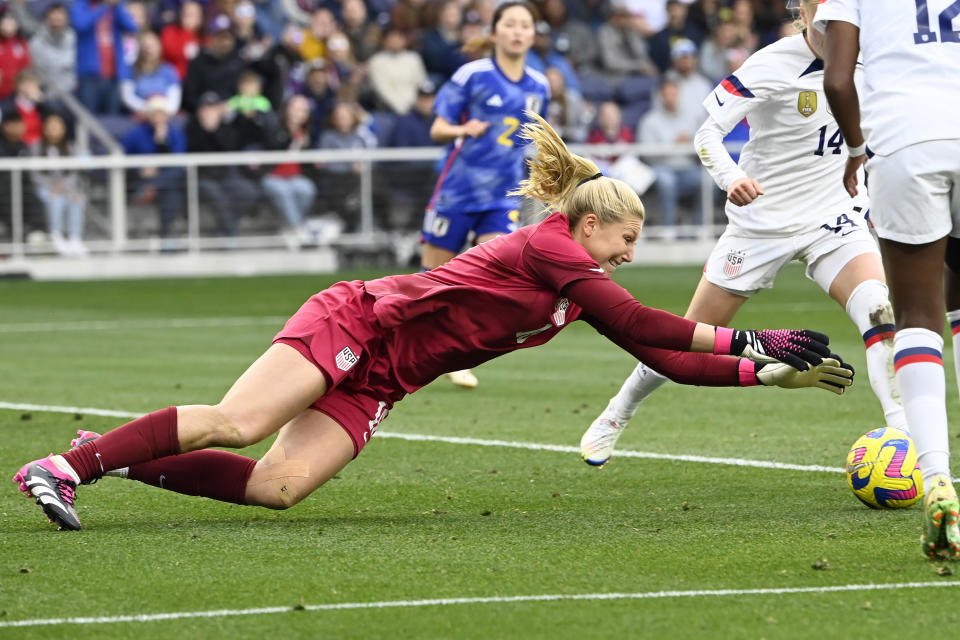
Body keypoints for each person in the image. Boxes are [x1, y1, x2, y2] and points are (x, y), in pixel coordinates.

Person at [11, 112, 853, 532]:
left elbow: (663, 355)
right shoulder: (555, 247)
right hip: (359, 321)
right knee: (239, 423)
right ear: (592, 224)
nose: (632, 252)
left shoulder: (578, 275)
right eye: (628, 238)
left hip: (388, 374)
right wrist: (755, 336)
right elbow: (643, 319)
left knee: (278, 488)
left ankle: (116, 459)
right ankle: (60, 466)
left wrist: (765, 371)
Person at [581, 0, 905, 489]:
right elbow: (708, 131)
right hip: (761, 226)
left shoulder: (873, 57)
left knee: (880, 313)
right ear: (802, 10)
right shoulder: (773, 62)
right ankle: (617, 410)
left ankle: (905, 440)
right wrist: (730, 176)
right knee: (687, 336)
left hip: (834, 218)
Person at [817, 0, 960, 559]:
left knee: (918, 315)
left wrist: (857, 148)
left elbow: (837, 78)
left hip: (906, 139)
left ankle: (938, 481)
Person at [421, 1, 550, 389]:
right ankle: (402, 338)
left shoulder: (539, 85)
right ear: (494, 33)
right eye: (509, 24)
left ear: (532, 33)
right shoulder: (472, 74)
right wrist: (463, 130)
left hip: (502, 196)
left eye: (525, 25)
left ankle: (453, 354)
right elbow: (437, 128)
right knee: (431, 281)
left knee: (488, 274)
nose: (517, 31)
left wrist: (544, 173)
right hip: (457, 192)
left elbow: (534, 139)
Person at [120, 94, 187, 239]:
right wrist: (139, 168)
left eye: (161, 113)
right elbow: (122, 154)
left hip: (163, 180)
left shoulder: (175, 134)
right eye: (155, 113)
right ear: (148, 115)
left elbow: (177, 161)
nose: (159, 117)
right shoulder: (136, 134)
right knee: (171, 191)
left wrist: (162, 142)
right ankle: (167, 235)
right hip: (142, 179)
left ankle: (166, 235)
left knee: (175, 180)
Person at [30, 112, 87, 257]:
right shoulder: (36, 147)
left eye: (57, 126)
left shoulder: (72, 147)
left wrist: (64, 187)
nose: (54, 129)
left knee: (77, 198)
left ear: (63, 129)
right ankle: (56, 235)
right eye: (51, 126)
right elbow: (34, 174)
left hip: (67, 187)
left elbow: (74, 172)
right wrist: (51, 186)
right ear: (44, 128)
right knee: (55, 199)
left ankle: (75, 237)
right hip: (44, 187)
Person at [70, 0, 139, 114]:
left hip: (113, 76)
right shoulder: (80, 5)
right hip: (89, 77)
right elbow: (80, 25)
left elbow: (132, 27)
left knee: (112, 118)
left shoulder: (115, 8)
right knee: (90, 117)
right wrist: (103, 7)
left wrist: (118, 6)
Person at [120, 30, 181, 115]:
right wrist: (148, 109)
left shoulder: (169, 70)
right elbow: (127, 97)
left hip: (164, 115)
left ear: (159, 47)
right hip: (140, 115)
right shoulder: (130, 70)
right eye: (146, 46)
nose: (149, 50)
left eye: (152, 46)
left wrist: (161, 110)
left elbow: (174, 99)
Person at [28, 3, 77, 97]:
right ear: (47, 17)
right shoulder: (37, 41)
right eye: (53, 13)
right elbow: (37, 70)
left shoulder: (73, 37)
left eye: (61, 13)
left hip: (73, 92)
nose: (57, 17)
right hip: (48, 93)